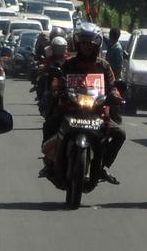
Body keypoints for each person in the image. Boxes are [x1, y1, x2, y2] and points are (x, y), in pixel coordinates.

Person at [39, 24, 126, 185]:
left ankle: (102, 166)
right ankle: (49, 161)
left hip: (97, 112)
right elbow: (58, 81)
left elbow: (112, 86)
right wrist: (58, 90)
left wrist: (114, 95)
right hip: (70, 109)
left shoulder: (103, 66)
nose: (86, 47)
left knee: (120, 134)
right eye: (84, 43)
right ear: (78, 44)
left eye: (90, 44)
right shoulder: (69, 64)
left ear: (96, 45)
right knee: (50, 124)